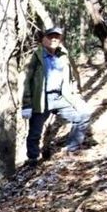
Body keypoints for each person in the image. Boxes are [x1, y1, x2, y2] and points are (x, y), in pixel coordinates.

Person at [21, 26, 91, 167]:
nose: (54, 39)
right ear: (43, 39)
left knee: (84, 115)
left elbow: (71, 78)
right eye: (50, 36)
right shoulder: (35, 57)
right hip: (41, 99)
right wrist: (26, 104)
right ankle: (32, 159)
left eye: (57, 37)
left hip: (61, 97)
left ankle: (72, 148)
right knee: (35, 132)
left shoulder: (63, 56)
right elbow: (26, 81)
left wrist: (76, 95)